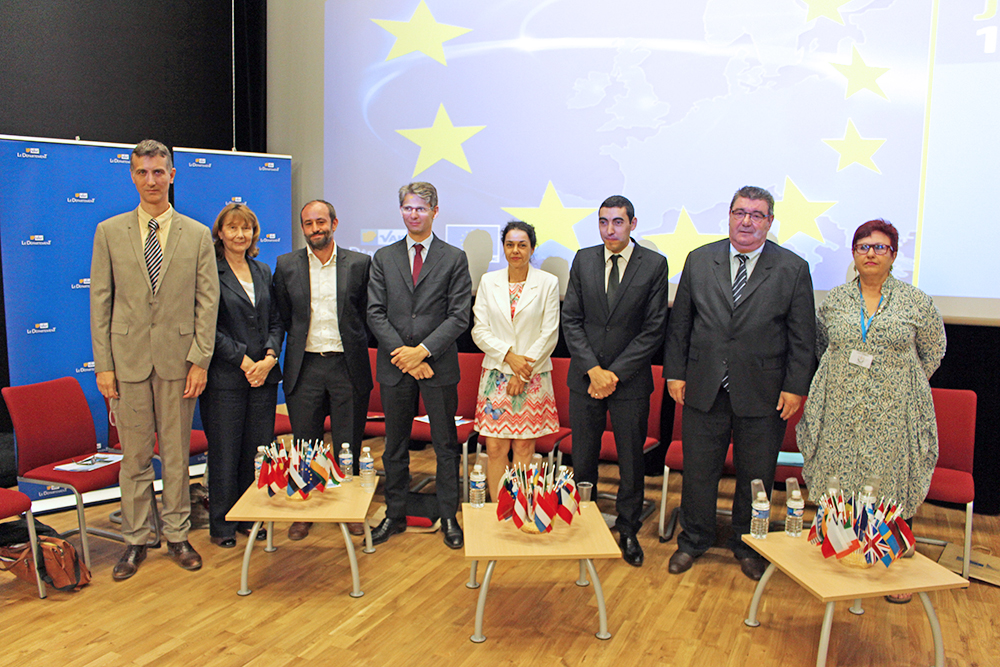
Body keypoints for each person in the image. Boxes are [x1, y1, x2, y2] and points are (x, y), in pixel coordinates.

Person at [663, 185, 815, 581]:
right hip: (703, 386)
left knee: (756, 477)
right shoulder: (700, 259)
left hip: (764, 392)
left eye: (756, 214)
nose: (746, 221)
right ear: (729, 216)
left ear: (770, 221)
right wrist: (675, 372)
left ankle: (750, 545)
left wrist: (795, 387)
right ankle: (693, 540)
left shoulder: (792, 268)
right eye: (739, 212)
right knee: (699, 472)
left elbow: (802, 337)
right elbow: (680, 324)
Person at [797, 219, 945, 602]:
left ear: (893, 255)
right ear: (854, 254)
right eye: (863, 247)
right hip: (841, 406)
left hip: (894, 410)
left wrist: (899, 382)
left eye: (880, 247)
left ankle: (891, 569)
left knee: (889, 479)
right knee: (841, 475)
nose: (871, 254)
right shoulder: (835, 301)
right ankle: (841, 557)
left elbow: (933, 350)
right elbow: (823, 346)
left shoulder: (916, 301)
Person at [90, 139, 220, 580]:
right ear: (132, 176)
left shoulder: (197, 235)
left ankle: (178, 534)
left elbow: (207, 303)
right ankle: (136, 539)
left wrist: (200, 361)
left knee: (177, 455)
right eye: (143, 172)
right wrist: (104, 366)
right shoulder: (109, 232)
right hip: (127, 364)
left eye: (158, 172)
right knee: (135, 458)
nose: (151, 180)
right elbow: (100, 303)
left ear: (172, 175)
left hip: (179, 364)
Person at [562, 195, 668, 567]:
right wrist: (593, 370)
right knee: (583, 458)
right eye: (603, 222)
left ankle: (628, 529)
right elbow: (571, 320)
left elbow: (653, 329)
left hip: (630, 382)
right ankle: (582, 523)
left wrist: (614, 374)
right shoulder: (583, 259)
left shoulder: (653, 264)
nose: (610, 230)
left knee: (631, 461)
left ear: (632, 224)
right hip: (585, 379)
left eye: (618, 222)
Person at [367, 182, 472, 549]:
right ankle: (394, 514)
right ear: (401, 211)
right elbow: (375, 313)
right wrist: (406, 356)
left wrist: (423, 352)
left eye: (421, 209)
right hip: (396, 365)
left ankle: (449, 517)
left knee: (445, 445)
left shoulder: (454, 258)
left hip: (438, 365)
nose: (414, 215)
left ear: (435, 212)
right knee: (394, 446)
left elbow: (459, 316)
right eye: (408, 208)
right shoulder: (384, 257)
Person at [273, 200, 373, 540]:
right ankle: (305, 511)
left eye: (321, 222)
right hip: (306, 366)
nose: (315, 228)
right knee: (305, 445)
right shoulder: (286, 265)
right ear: (303, 228)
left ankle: (349, 509)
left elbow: (367, 314)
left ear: (334, 223)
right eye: (308, 223)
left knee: (349, 444)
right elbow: (283, 316)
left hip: (348, 365)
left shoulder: (359, 264)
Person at [200, 203, 282, 548]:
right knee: (225, 453)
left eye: (245, 228)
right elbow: (207, 327)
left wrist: (269, 357)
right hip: (226, 379)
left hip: (264, 377)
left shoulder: (262, 270)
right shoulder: (208, 270)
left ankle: (250, 517)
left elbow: (276, 320)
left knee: (255, 452)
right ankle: (222, 525)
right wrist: (245, 362)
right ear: (220, 232)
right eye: (232, 228)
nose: (239, 235)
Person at [471, 221, 560, 500]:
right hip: (497, 374)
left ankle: (520, 509)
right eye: (510, 245)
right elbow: (479, 330)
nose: (515, 251)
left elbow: (550, 333)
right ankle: (499, 509)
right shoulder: (489, 282)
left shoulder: (547, 283)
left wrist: (522, 373)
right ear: (504, 248)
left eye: (522, 245)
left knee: (523, 448)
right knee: (495, 447)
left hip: (532, 376)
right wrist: (509, 357)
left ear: (532, 248)